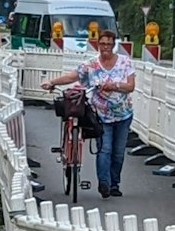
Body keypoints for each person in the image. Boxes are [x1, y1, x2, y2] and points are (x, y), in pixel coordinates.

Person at [43, 28, 135, 198]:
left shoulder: (125, 62)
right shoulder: (91, 65)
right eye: (102, 43)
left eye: (109, 44)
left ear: (113, 45)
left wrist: (114, 86)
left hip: (124, 114)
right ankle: (104, 183)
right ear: (98, 45)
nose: (105, 47)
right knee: (105, 149)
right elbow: (73, 76)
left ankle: (115, 184)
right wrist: (52, 82)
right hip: (101, 115)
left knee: (118, 152)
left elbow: (131, 86)